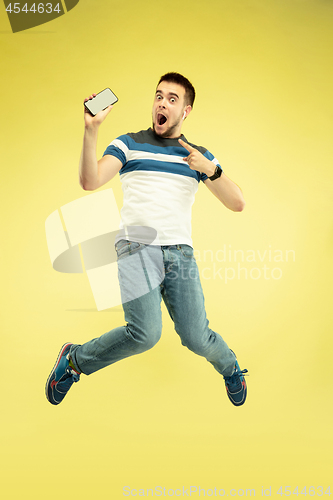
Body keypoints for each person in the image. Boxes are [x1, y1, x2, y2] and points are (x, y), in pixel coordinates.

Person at [45, 72, 248, 407]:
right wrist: (91, 130)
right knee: (145, 335)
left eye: (172, 99)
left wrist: (211, 169)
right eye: (158, 96)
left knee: (197, 337)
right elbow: (89, 181)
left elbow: (237, 203)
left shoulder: (197, 155)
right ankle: (74, 360)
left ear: (186, 110)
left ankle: (231, 369)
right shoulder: (129, 143)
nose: (162, 103)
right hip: (136, 247)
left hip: (180, 253)